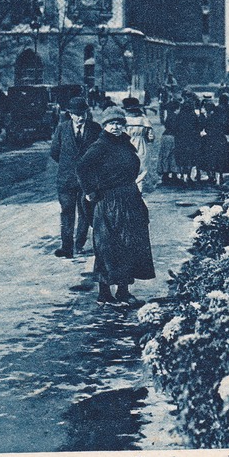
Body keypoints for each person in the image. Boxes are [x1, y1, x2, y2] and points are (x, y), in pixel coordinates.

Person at [77, 106, 156, 307]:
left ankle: (123, 291)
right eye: (111, 123)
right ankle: (104, 293)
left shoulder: (125, 143)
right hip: (109, 202)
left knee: (129, 245)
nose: (116, 127)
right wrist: (90, 191)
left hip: (129, 198)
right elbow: (82, 168)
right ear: (104, 125)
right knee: (108, 247)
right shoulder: (100, 146)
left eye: (119, 123)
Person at [49, 96, 102, 258]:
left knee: (85, 213)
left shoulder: (95, 129)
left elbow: (100, 153)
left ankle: (79, 244)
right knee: (66, 212)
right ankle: (66, 247)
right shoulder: (62, 129)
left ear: (87, 113)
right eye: (76, 114)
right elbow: (54, 152)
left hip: (87, 181)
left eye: (83, 114)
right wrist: (69, 166)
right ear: (70, 114)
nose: (80, 118)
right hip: (66, 180)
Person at [122, 97, 155, 191]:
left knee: (127, 170)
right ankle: (139, 192)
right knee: (141, 171)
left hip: (127, 146)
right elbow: (151, 137)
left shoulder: (123, 120)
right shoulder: (144, 120)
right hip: (141, 146)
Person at [173, 90, 204, 185]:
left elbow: (175, 127)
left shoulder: (179, 116)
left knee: (182, 157)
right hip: (192, 139)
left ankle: (183, 176)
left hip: (181, 139)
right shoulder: (193, 115)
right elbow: (199, 126)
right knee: (190, 157)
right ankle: (189, 176)